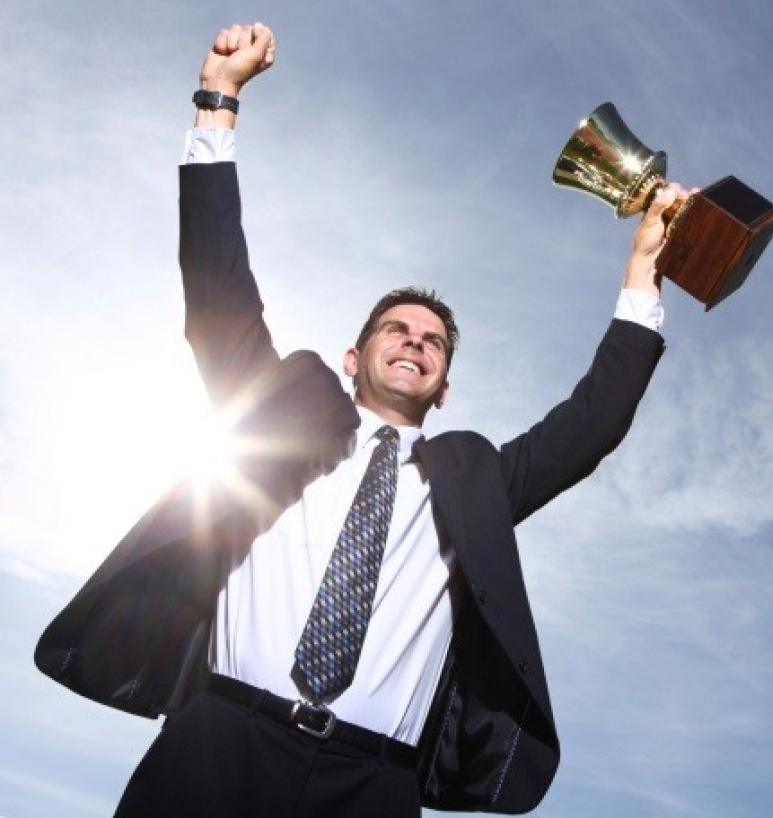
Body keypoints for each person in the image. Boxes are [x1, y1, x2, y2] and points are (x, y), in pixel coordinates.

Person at [35, 21, 687, 817]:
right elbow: (216, 290)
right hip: (220, 744)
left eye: (433, 343)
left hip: (373, 784)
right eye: (397, 330)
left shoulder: (475, 480)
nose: (415, 344)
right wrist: (219, 100)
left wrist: (644, 270)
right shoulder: (275, 424)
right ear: (354, 358)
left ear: (444, 386)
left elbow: (592, 423)